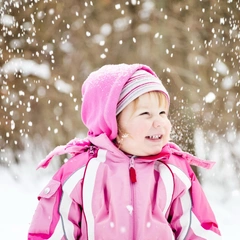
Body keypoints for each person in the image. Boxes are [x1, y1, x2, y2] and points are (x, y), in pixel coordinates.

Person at [28, 63, 222, 240]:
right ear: (112, 123)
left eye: (162, 113)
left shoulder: (173, 171)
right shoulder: (80, 173)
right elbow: (52, 232)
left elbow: (197, 230)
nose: (159, 122)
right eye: (145, 114)